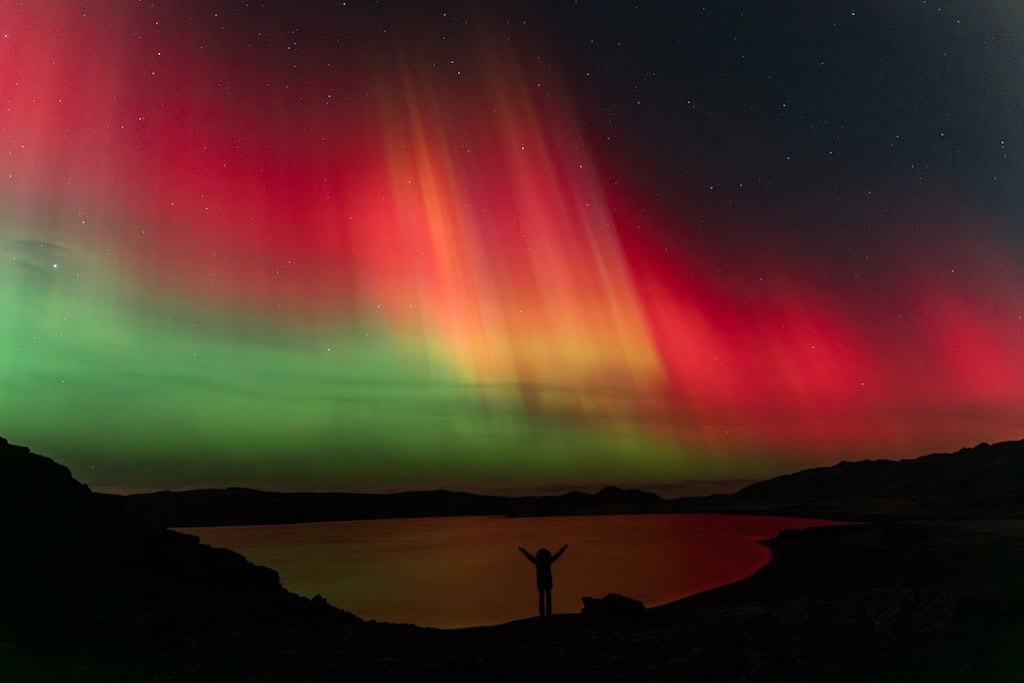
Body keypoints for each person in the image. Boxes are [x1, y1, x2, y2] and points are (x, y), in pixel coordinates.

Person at [518, 544, 568, 617]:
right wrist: (563, 549)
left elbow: (530, 557)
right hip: (546, 582)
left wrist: (523, 551)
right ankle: (547, 613)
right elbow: (557, 555)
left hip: (542, 582)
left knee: (543, 598)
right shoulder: (547, 562)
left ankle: (544, 614)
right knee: (547, 598)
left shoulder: (538, 562)